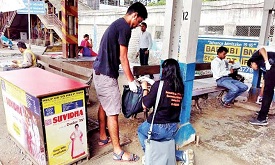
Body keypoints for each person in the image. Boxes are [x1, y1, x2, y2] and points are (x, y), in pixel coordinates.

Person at [92, 2, 147, 162]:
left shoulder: (117, 24)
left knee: (104, 104)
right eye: (139, 22)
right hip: (106, 75)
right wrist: (131, 80)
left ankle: (103, 136)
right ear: (134, 15)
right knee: (113, 112)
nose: (137, 26)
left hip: (99, 71)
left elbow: (117, 55)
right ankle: (117, 152)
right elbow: (123, 57)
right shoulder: (124, 27)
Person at [137, 58, 194, 165]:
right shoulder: (180, 86)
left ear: (164, 70)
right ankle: (182, 155)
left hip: (158, 126)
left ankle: (149, 155)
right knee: (162, 143)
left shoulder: (159, 85)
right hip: (173, 127)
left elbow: (145, 105)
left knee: (141, 131)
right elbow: (166, 96)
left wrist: (145, 88)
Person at [247, 47, 275, 126]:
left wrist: (266, 62)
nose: (254, 69)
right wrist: (260, 95)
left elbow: (262, 49)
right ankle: (263, 113)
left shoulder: (254, 57)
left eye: (251, 67)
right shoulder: (263, 68)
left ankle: (262, 118)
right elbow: (265, 82)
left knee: (268, 93)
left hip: (272, 66)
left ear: (251, 63)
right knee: (268, 92)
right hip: (272, 70)